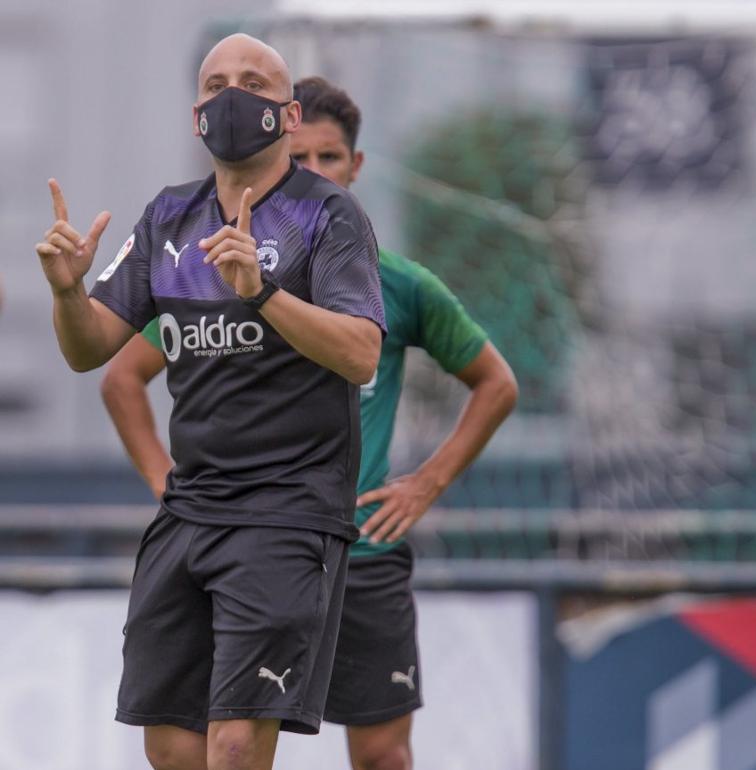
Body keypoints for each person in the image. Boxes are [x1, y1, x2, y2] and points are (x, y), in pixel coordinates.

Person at [100, 75, 518, 770]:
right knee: (211, 745)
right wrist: (164, 482)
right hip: (259, 531)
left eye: (331, 158)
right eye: (304, 158)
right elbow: (117, 373)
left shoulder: (402, 285)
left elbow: (495, 383)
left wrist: (425, 483)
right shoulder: (219, 273)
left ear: (355, 168)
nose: (316, 170)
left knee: (382, 755)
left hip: (362, 551)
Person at [36, 35, 387, 770]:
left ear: (288, 115)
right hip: (190, 512)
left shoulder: (330, 216)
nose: (233, 95)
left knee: (233, 745)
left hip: (287, 512)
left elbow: (360, 353)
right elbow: (88, 349)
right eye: (217, 83)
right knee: (171, 747)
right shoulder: (169, 217)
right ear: (197, 113)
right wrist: (69, 291)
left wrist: (261, 294)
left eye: (253, 82)